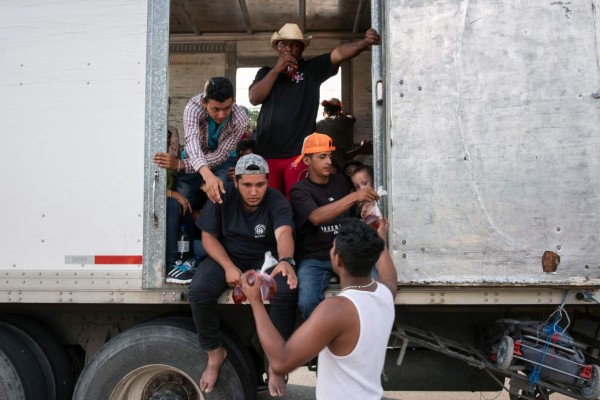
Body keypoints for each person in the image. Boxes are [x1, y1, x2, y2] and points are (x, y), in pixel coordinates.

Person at [241, 218, 397, 400]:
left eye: (332, 247)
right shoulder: (385, 292)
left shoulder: (336, 309)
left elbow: (280, 362)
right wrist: (381, 241)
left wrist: (256, 302)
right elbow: (389, 275)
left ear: (338, 260)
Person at [188, 154, 298, 396]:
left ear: (268, 182)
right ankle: (215, 353)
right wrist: (228, 265)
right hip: (229, 257)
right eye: (247, 185)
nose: (254, 191)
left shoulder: (276, 199)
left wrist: (285, 261)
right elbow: (208, 237)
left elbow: (284, 233)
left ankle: (276, 360)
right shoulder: (223, 196)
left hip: (267, 260)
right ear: (235, 182)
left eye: (260, 184)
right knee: (199, 291)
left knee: (287, 288)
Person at [249, 23, 382, 198]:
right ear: (277, 48)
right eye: (283, 44)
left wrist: (364, 42)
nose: (288, 48)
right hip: (268, 153)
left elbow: (338, 54)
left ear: (302, 48)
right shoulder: (265, 73)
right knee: (270, 202)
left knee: (297, 201)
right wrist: (276, 70)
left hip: (298, 154)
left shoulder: (311, 70)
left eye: (294, 44)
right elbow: (254, 98)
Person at [289, 133, 379, 320]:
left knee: (374, 291)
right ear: (307, 160)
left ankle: (360, 338)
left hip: (348, 253)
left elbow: (357, 206)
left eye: (329, 156)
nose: (329, 161)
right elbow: (315, 217)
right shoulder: (299, 190)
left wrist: (366, 207)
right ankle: (322, 345)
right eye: (322, 157)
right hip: (315, 259)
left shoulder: (341, 182)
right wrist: (353, 197)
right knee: (307, 301)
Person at [153, 77, 249, 205]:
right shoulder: (193, 108)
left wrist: (181, 165)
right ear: (204, 103)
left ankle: (214, 224)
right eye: (215, 109)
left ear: (233, 102)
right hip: (192, 157)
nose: (221, 115)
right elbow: (192, 144)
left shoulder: (240, 119)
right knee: (183, 199)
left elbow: (221, 154)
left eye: (227, 108)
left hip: (219, 161)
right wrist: (207, 175)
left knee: (220, 197)